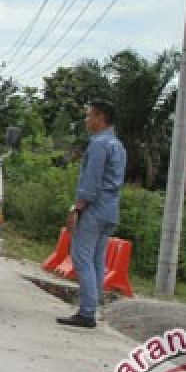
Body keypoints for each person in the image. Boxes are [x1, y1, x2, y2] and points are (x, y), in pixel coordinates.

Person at [57, 99, 127, 329]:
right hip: (110, 208)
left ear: (100, 117)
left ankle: (87, 312)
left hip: (94, 208)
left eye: (89, 116)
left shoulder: (98, 145)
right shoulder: (118, 145)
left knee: (81, 258)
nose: (86, 120)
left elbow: (91, 181)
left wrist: (76, 208)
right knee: (97, 261)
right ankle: (91, 307)